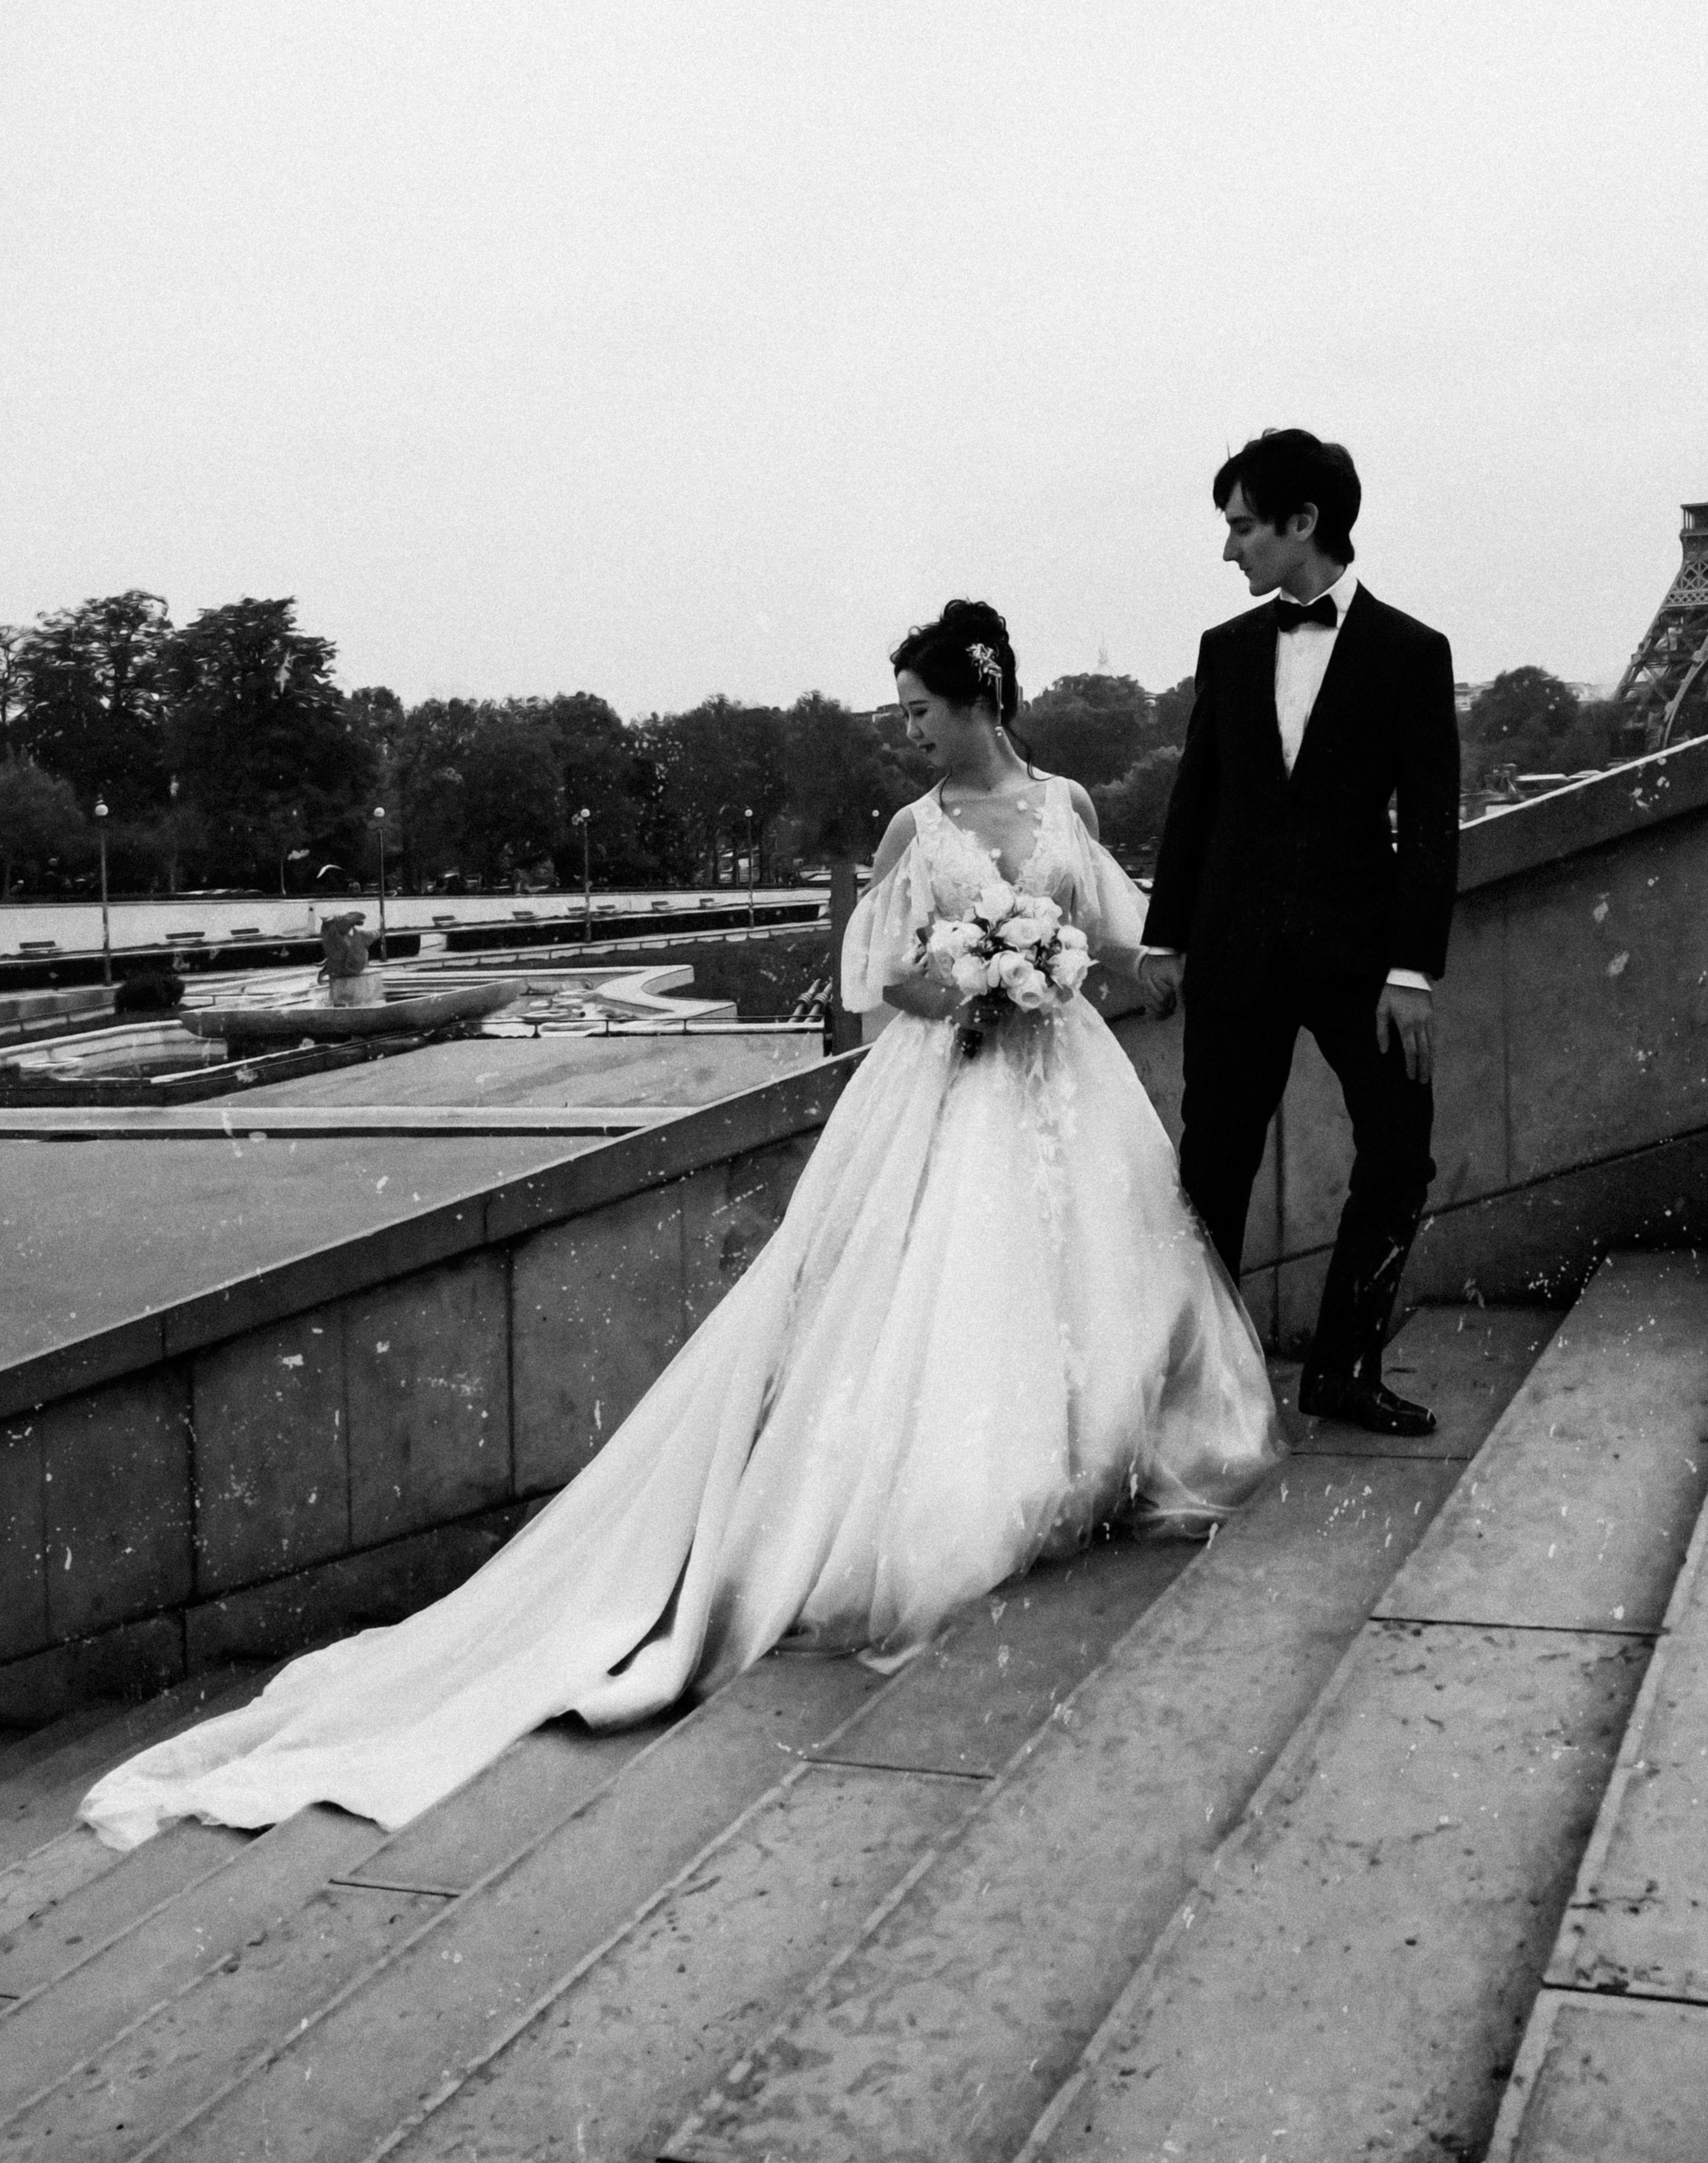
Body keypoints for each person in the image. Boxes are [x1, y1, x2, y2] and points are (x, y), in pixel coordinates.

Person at [81, 601, 1280, 1851]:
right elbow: (884, 979)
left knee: (1074, 1281)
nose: (908, 732)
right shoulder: (912, 831)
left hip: (1062, 1082)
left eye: (919, 709)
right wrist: (971, 974)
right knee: (952, 1297)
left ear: (977, 697)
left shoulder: (1068, 804)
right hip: (956, 1090)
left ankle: (1081, 1473)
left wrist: (1054, 962)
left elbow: (1117, 934)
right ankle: (968, 1508)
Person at [1138, 430, 1459, 1437]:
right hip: (1235, 950)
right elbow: (1197, 798)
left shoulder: (1413, 653)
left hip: (1364, 961)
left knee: (1401, 1157)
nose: (1229, 550)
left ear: (1302, 523)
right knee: (1213, 1170)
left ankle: (1345, 1366)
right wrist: (1163, 935)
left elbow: (1432, 822)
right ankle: (1201, 1387)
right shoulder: (1227, 651)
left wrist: (1412, 968)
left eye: (1241, 526)